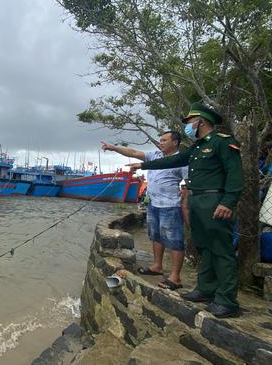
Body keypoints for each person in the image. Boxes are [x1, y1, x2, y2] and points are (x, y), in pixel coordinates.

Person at [127, 103, 244, 318]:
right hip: (198, 201)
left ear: (202, 121)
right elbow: (175, 160)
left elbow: (235, 175)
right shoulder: (197, 148)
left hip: (214, 199)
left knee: (221, 249)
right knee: (204, 247)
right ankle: (206, 289)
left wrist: (228, 202)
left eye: (190, 122)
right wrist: (143, 166)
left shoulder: (222, 143)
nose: (188, 126)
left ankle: (227, 300)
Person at [101, 131, 188, 291]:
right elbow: (133, 152)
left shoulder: (181, 160)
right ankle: (157, 266)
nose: (161, 143)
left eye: (164, 140)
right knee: (155, 237)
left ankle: (175, 277)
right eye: (160, 140)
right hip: (153, 204)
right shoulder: (155, 155)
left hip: (170, 205)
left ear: (175, 143)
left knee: (175, 241)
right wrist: (113, 148)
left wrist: (186, 204)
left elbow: (189, 183)